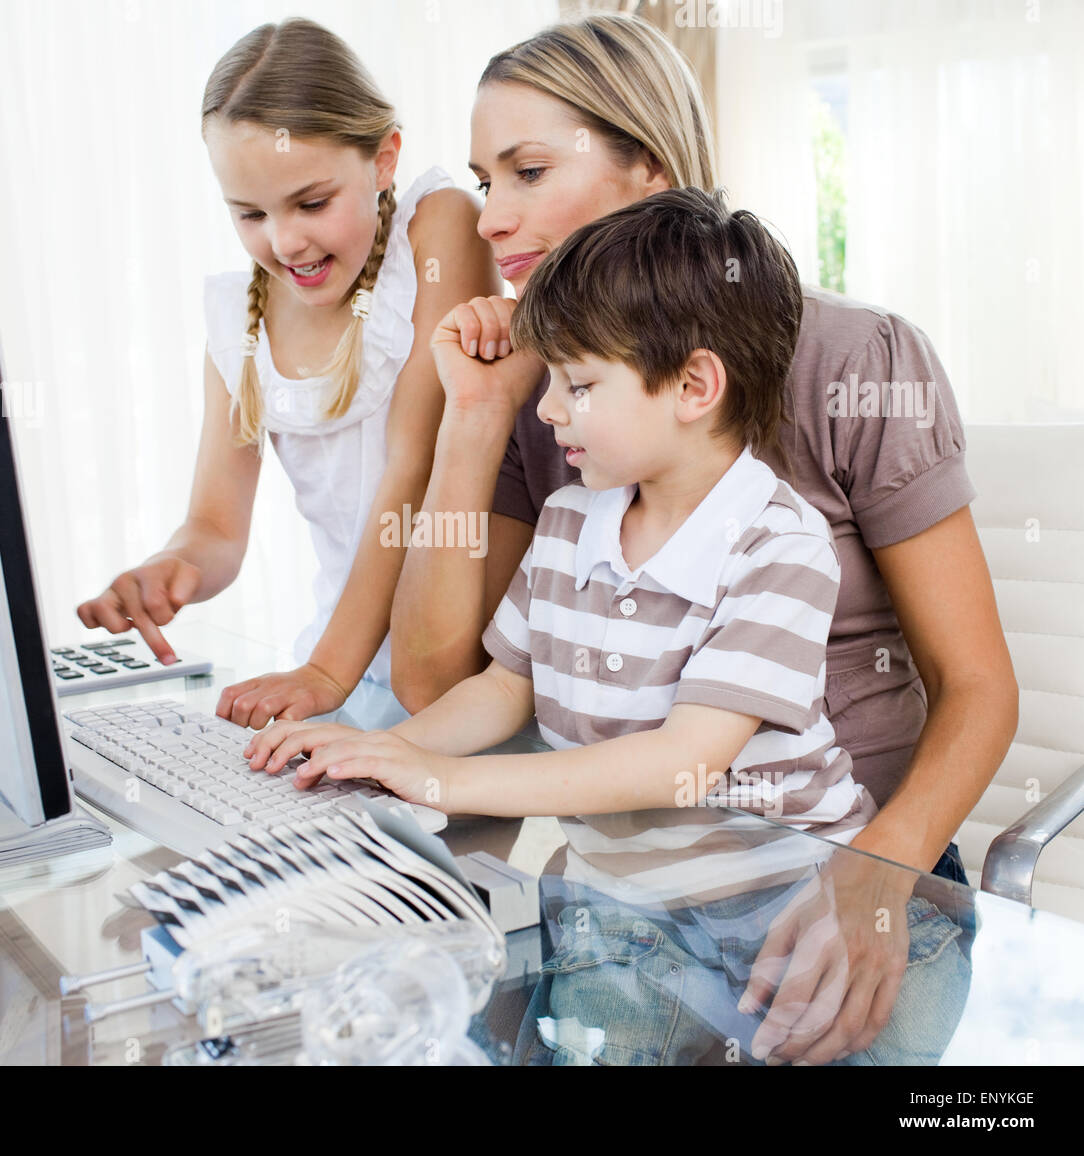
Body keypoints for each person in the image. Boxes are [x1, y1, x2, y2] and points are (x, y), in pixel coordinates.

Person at [384, 13, 1015, 1064]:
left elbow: (978, 684)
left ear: (651, 173)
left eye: (527, 172)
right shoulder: (552, 401)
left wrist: (879, 867)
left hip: (847, 850)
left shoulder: (855, 359)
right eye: (484, 181)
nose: (491, 220)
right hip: (632, 879)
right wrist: (477, 414)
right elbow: (433, 679)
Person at [244, 188, 968, 1066]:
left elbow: (682, 761)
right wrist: (368, 758)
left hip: (804, 921)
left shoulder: (779, 545)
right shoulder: (568, 523)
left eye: (579, 384)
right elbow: (505, 687)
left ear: (696, 386)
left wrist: (442, 781)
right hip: (639, 930)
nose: (547, 410)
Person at [76, 18, 498, 727]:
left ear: (384, 158)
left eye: (312, 203)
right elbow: (215, 526)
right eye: (249, 214)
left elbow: (414, 466)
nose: (285, 241)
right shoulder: (234, 317)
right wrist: (172, 567)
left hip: (464, 670)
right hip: (340, 669)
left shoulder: (440, 229)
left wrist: (328, 670)